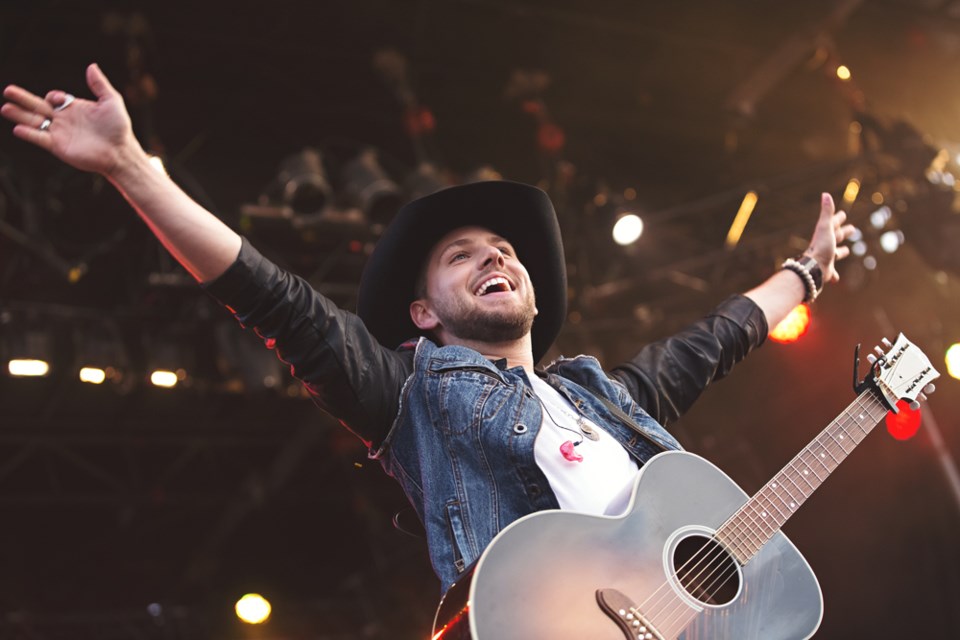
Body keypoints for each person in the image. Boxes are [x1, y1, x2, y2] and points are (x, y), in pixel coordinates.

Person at [2, 64, 854, 595]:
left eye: (505, 249)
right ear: (423, 313)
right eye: (462, 255)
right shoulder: (410, 395)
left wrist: (808, 270)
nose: (497, 258)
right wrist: (131, 169)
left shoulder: (605, 397)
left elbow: (716, 338)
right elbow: (271, 296)